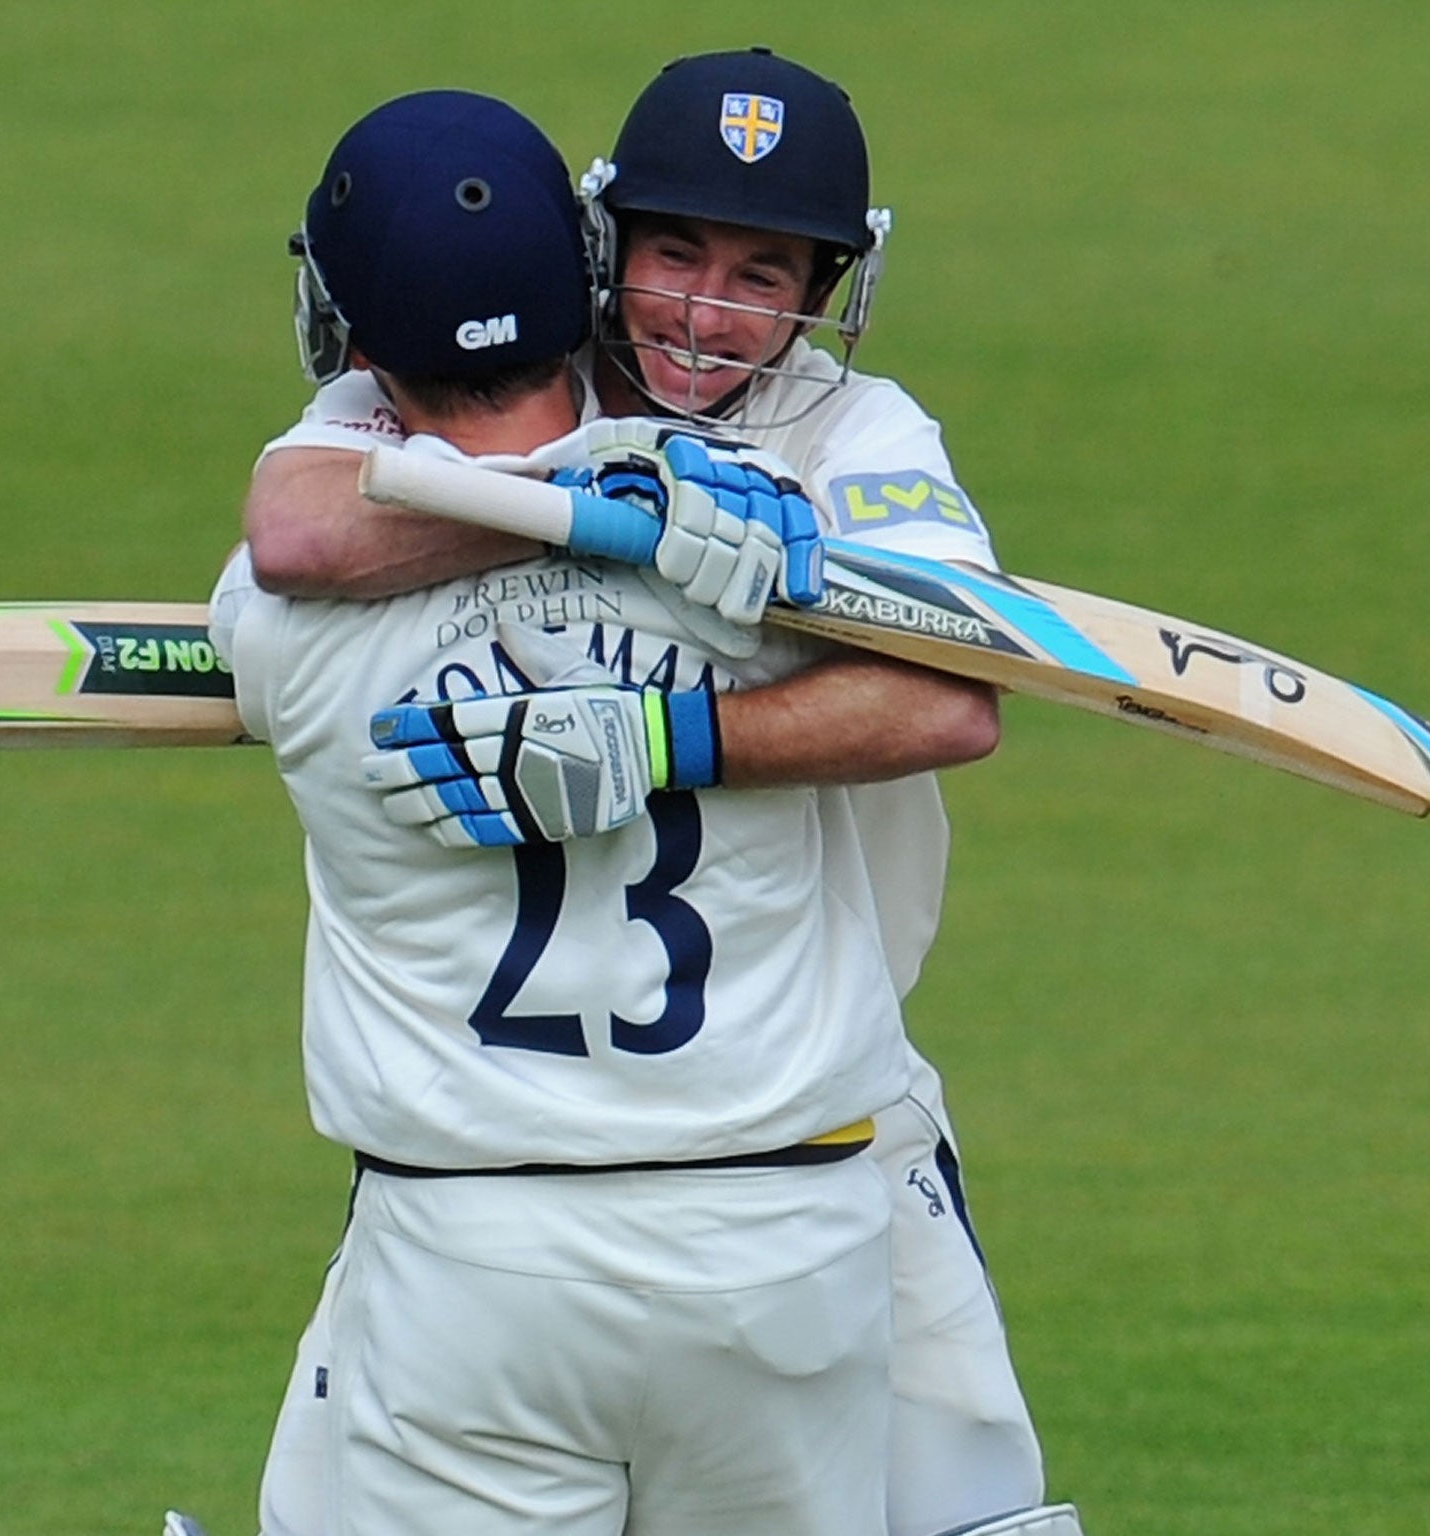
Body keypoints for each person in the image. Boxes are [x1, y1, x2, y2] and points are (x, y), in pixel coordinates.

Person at [241, 51, 1082, 1536]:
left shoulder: (857, 438)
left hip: (820, 1113)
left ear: (830, 282)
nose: (707, 311)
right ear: (597, 245)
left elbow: (953, 694)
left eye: (765, 273)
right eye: (676, 254)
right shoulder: (456, 380)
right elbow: (302, 527)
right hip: (680, 1162)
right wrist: (613, 502)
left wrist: (663, 737)